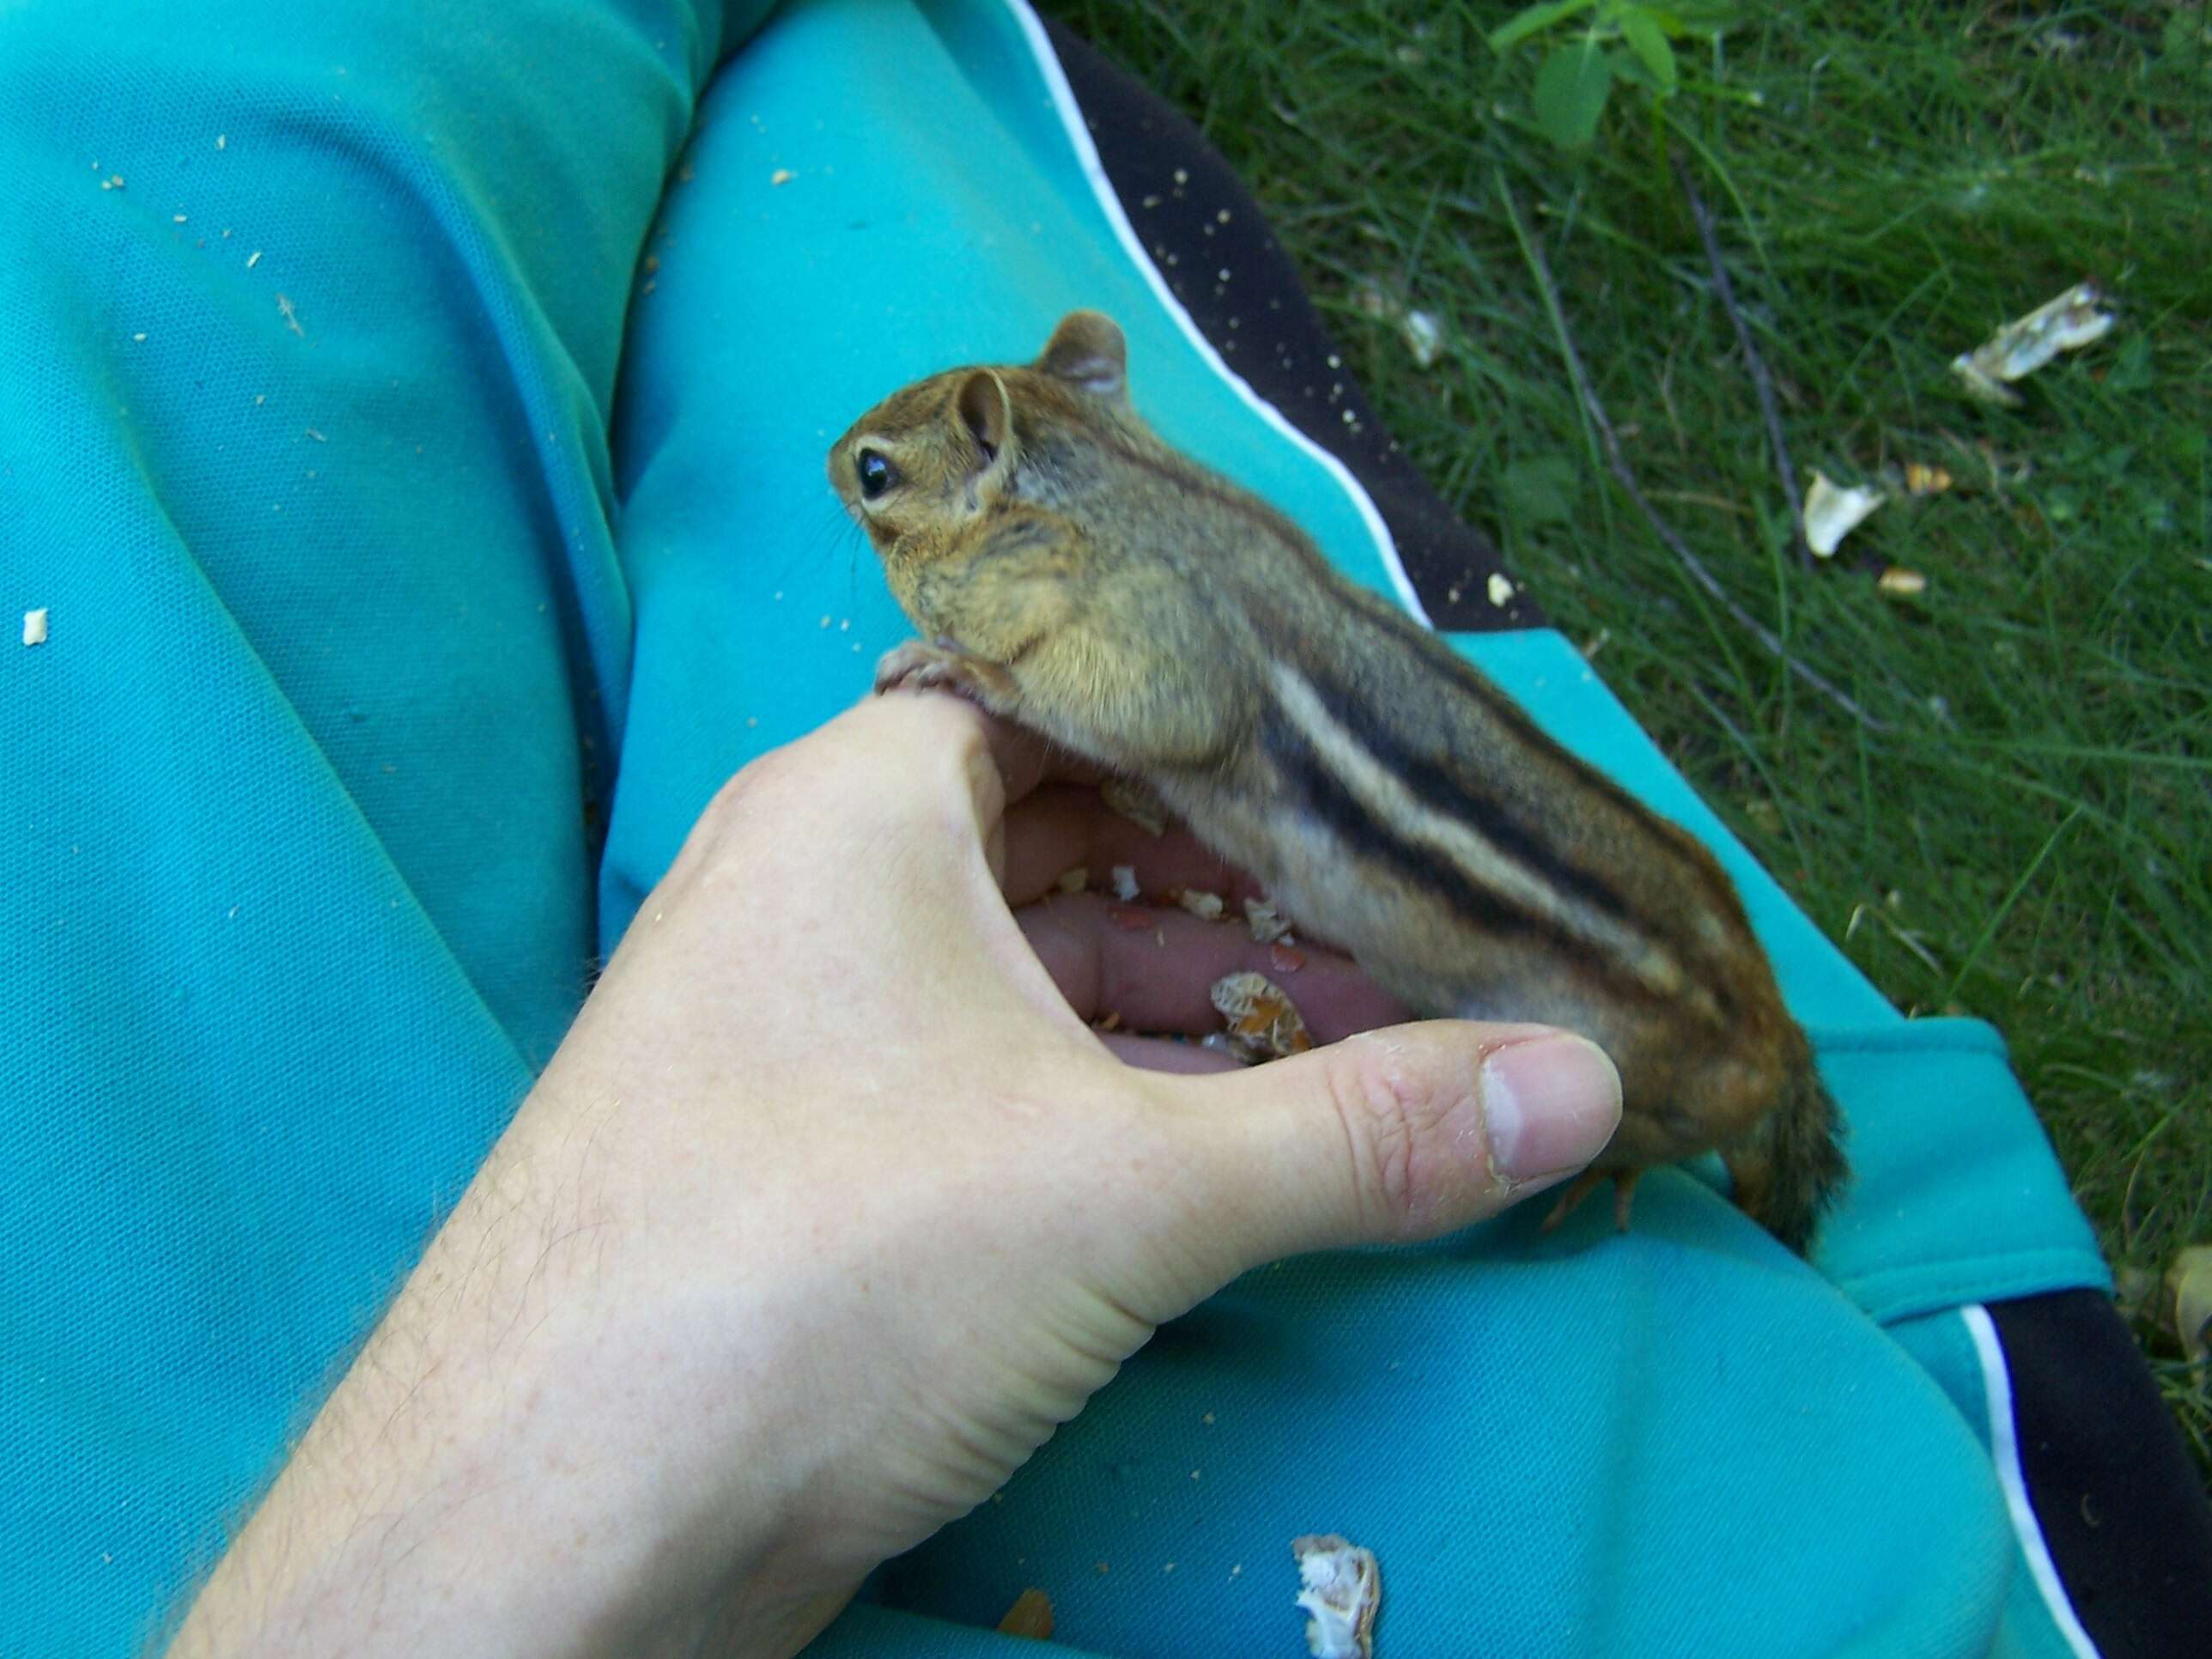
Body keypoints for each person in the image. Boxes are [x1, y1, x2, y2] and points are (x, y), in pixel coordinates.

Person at [6, 1, 2202, 1655]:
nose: (867, 533)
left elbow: (1154, 703)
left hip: (1554, 987)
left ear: (1000, 463)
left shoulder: (1116, 594)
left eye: (895, 496)